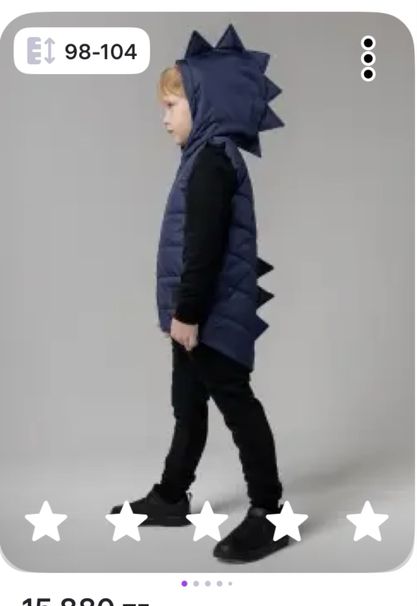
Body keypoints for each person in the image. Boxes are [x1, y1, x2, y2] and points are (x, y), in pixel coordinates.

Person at [111, 24, 289, 562]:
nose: (164, 117)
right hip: (195, 315)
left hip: (210, 314)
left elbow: (204, 248)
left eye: (172, 105)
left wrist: (187, 314)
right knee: (188, 404)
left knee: (236, 403)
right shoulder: (200, 159)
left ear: (204, 102)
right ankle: (172, 496)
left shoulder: (211, 161)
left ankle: (270, 513)